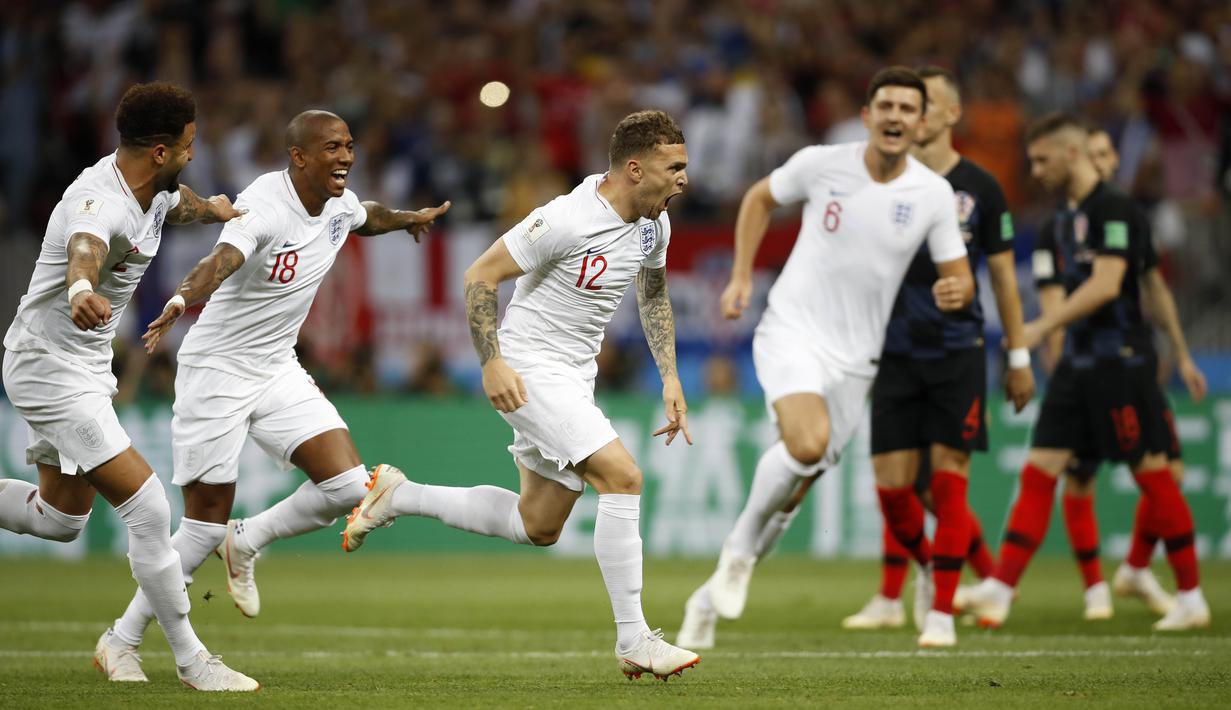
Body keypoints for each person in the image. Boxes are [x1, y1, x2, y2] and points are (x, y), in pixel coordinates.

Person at [342, 110, 700, 681]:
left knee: (539, 524)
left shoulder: (654, 225)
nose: (685, 177)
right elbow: (480, 275)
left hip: (573, 379)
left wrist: (671, 376)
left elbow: (653, 294)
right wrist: (493, 363)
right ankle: (635, 639)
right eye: (673, 166)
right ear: (635, 168)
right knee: (623, 477)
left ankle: (398, 496)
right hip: (529, 370)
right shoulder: (565, 218)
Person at [94, 110, 450, 678]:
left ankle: (249, 540)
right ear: (300, 157)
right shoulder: (264, 204)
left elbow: (366, 217)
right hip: (217, 370)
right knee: (202, 524)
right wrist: (181, 303)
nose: (346, 157)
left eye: (350, 146)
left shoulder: (337, 202)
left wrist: (408, 218)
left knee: (347, 487)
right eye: (333, 147)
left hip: (276, 366)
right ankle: (121, 638)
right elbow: (221, 261)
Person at [675, 66, 973, 650]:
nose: (894, 116)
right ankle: (736, 553)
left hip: (858, 361)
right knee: (805, 445)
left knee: (797, 483)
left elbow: (957, 272)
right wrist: (740, 276)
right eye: (884, 105)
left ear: (921, 124)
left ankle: (706, 597)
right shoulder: (821, 163)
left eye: (907, 109)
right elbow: (760, 198)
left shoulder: (933, 195)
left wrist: (955, 289)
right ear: (866, 117)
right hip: (793, 329)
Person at [0, 82, 258, 691]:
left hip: (83, 366)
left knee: (60, 520)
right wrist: (79, 290)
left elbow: (179, 204)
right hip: (47, 363)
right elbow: (84, 249)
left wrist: (215, 210)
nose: (196, 154)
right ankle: (192, 661)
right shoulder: (99, 200)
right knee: (147, 507)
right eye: (189, 145)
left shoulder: (155, 189)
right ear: (161, 151)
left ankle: (146, 650)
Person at [965, 113, 1210, 631]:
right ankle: (1002, 588)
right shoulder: (1060, 221)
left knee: (1154, 474)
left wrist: (1036, 329)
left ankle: (1190, 595)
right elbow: (1066, 291)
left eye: (1041, 159)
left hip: (1119, 362)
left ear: (1071, 154)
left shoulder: (1116, 210)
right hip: (1076, 365)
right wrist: (1051, 340)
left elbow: (1108, 285)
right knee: (1040, 470)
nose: (1033, 170)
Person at [836, 66, 1035, 647]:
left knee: (949, 480)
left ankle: (943, 611)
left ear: (945, 116)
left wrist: (1019, 357)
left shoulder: (981, 187)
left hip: (957, 352)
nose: (911, 118)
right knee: (894, 489)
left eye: (923, 107)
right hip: (894, 353)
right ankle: (927, 570)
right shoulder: (881, 183)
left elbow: (1002, 277)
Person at [1052, 127, 1208, 622]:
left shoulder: (1127, 216)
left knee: (1166, 472)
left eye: (1103, 154)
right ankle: (1097, 586)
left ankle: (1137, 567)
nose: (1096, 163)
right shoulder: (1068, 221)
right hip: (1088, 366)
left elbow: (1153, 288)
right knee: (1082, 476)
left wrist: (1180, 353)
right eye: (1088, 155)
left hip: (1131, 360)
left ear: (1114, 158)